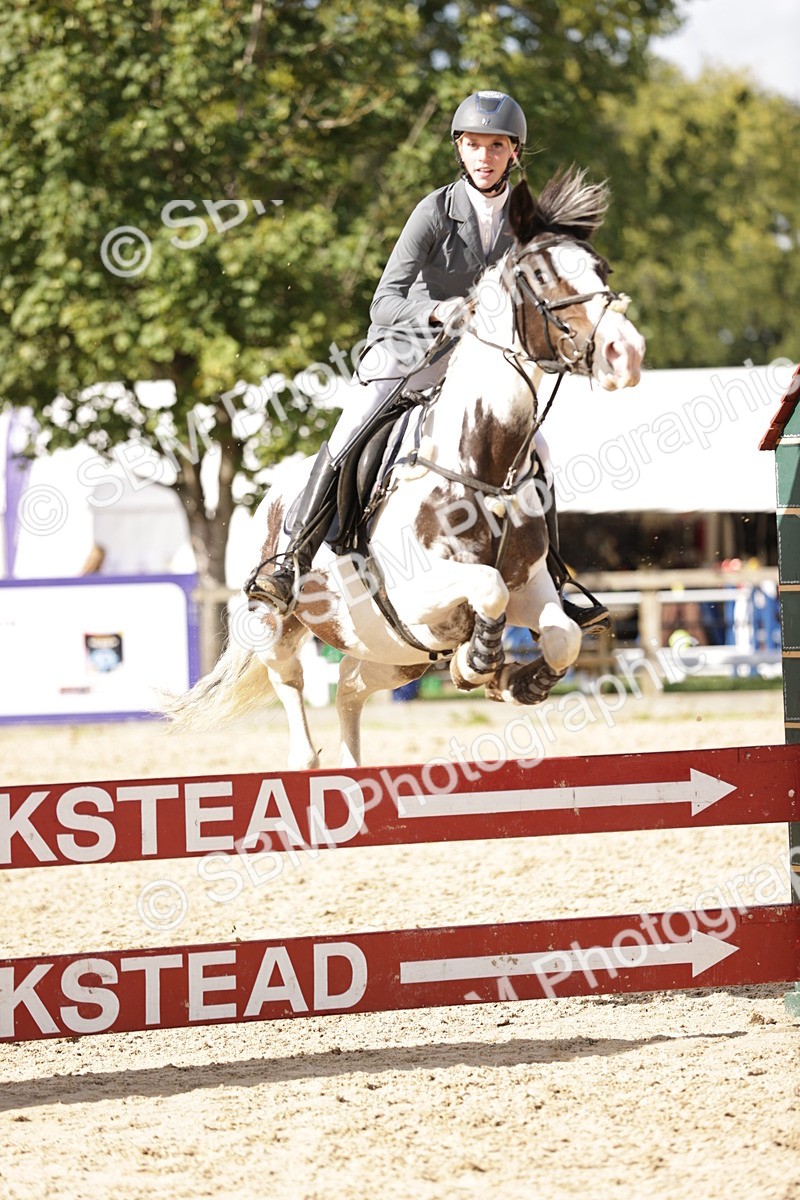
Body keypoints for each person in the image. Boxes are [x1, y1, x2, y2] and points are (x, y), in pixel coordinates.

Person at [245, 89, 608, 633]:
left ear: (514, 153)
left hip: (478, 368)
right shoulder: (433, 211)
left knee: (540, 453)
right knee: (350, 431)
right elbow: (384, 300)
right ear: (459, 150)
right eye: (473, 145)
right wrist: (441, 311)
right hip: (407, 354)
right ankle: (289, 561)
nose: (484, 156)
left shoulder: (525, 221)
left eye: (496, 146)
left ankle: (551, 576)